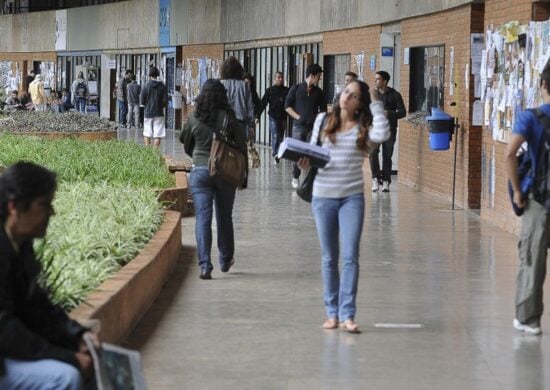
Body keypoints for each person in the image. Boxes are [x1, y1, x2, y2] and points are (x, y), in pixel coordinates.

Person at [297, 80, 389, 333]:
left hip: (351, 198)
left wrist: (376, 101)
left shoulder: (364, 129)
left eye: (354, 95)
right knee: (329, 257)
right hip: (322, 196)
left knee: (350, 257)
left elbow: (383, 134)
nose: (347, 97)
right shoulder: (322, 121)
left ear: (361, 104)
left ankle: (348, 314)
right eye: (346, 91)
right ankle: (331, 314)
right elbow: (312, 154)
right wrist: (305, 165)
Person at [0, 161, 99, 389]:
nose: (52, 212)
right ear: (15, 206)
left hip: (9, 349)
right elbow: (4, 327)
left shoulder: (20, 243)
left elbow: (37, 305)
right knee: (64, 377)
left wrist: (77, 337)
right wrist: (67, 357)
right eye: (44, 204)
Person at [179, 79, 247, 280]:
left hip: (200, 172)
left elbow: (185, 140)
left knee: (203, 217)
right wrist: (243, 175)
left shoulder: (194, 117)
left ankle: (205, 266)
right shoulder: (229, 118)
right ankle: (225, 259)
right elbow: (241, 146)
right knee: (224, 216)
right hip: (225, 172)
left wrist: (197, 157)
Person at [504, 63, 550, 336]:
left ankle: (528, 318)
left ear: (543, 85)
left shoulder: (530, 118)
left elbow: (510, 154)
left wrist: (518, 192)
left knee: (532, 259)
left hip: (539, 201)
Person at [285, 63, 327, 188]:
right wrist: (299, 117)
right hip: (298, 126)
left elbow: (324, 110)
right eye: (318, 76)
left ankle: (309, 181)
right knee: (297, 153)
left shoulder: (319, 92)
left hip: (313, 128)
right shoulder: (296, 88)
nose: (319, 78)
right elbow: (287, 106)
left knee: (311, 154)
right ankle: (295, 176)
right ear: (312, 75)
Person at [369, 70, 406, 192]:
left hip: (390, 129)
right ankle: (375, 178)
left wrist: (389, 113)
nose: (375, 81)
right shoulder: (373, 95)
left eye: (378, 79)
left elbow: (402, 112)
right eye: (375, 79)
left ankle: (386, 181)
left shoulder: (395, 95)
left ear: (385, 81)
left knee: (387, 155)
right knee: (373, 153)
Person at [257, 71, 289, 164]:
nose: (280, 79)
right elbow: (263, 103)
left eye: (281, 77)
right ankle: (275, 154)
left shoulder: (286, 91)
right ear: (274, 79)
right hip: (273, 117)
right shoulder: (270, 90)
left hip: (283, 117)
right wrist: (257, 115)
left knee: (280, 136)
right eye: (278, 77)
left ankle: (278, 152)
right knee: (275, 135)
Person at [220, 57, 255, 140]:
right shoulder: (244, 85)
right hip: (240, 123)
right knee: (239, 150)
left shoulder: (220, 84)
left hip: (224, 122)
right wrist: (251, 127)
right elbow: (250, 107)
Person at [139, 66, 167, 148]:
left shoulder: (145, 86)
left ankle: (148, 150)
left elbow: (142, 102)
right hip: (159, 113)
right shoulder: (162, 86)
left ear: (149, 75)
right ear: (157, 75)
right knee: (157, 134)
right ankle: (155, 151)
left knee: (147, 132)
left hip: (148, 113)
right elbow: (165, 101)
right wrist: (160, 106)